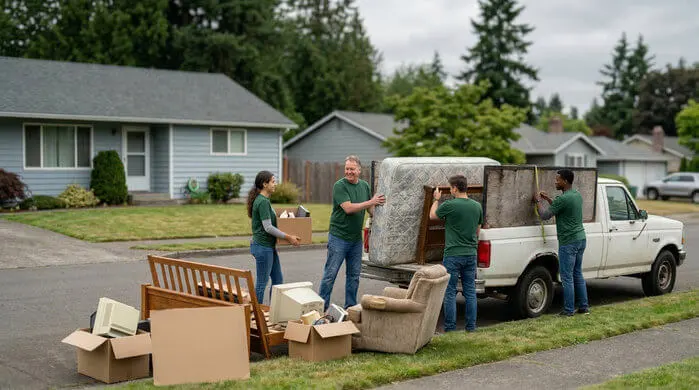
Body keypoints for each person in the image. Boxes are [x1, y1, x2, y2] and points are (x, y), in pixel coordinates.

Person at [318, 155, 385, 310]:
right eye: (347, 168)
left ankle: (350, 307)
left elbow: (370, 209)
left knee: (354, 276)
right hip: (338, 238)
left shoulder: (364, 186)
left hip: (356, 240)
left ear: (359, 170)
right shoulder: (339, 186)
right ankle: (321, 309)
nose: (349, 172)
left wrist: (382, 217)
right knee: (330, 275)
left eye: (352, 169)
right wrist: (371, 201)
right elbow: (348, 208)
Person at [430, 174, 483, 332]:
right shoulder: (477, 206)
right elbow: (477, 231)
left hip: (453, 254)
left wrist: (436, 199)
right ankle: (471, 328)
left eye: (451, 187)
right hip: (471, 253)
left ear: (454, 188)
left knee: (450, 292)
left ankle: (450, 329)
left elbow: (432, 216)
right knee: (470, 291)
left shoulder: (450, 205)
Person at [534, 169, 590, 316]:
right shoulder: (576, 195)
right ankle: (584, 307)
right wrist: (548, 200)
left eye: (557, 179)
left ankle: (568, 310)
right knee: (577, 273)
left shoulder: (562, 199)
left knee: (566, 277)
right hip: (581, 239)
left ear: (565, 181)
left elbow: (545, 215)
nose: (555, 182)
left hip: (568, 242)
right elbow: (562, 208)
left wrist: (538, 202)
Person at [247, 171, 300, 304]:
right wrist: (288, 237)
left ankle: (273, 311)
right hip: (263, 247)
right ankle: (256, 314)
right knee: (261, 283)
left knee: (278, 281)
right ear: (265, 184)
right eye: (273, 181)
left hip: (268, 247)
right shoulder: (262, 201)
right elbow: (268, 227)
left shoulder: (264, 200)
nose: (275, 184)